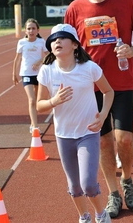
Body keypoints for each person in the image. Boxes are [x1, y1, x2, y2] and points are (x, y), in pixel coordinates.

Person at [64, 0, 133, 218]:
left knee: (123, 139)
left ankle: (127, 179)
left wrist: (131, 49)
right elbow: (68, 46)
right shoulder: (75, 8)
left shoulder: (127, 3)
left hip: (122, 83)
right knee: (102, 143)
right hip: (89, 88)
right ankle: (114, 193)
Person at [36, 24, 114, 223]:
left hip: (87, 132)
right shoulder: (47, 71)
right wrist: (54, 101)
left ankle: (100, 214)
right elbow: (39, 105)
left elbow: (108, 91)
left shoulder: (89, 68)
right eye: (53, 40)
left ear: (75, 45)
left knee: (88, 184)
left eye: (61, 38)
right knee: (74, 186)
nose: (57, 42)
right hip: (64, 135)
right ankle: (84, 217)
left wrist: (103, 114)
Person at [12, 18, 48, 134]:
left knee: (37, 101)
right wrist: (14, 74)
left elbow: (50, 55)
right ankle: (35, 127)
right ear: (25, 31)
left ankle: (33, 123)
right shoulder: (22, 43)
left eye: (33, 28)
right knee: (32, 100)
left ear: (37, 30)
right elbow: (17, 59)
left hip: (39, 74)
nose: (31, 31)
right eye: (28, 29)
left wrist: (40, 61)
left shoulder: (41, 42)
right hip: (26, 74)